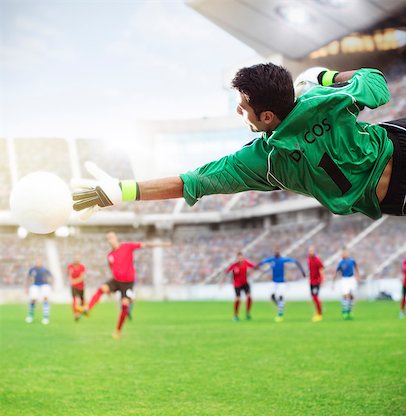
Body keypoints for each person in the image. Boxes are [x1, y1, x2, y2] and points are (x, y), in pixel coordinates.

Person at [72, 63, 405, 220]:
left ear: (268, 117)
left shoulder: (265, 161)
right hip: (398, 142)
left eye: (243, 106)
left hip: (394, 196)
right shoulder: (322, 99)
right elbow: (375, 82)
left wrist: (122, 191)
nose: (237, 110)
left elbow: (193, 181)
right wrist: (325, 78)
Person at [79, 232, 170, 339]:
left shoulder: (127, 246)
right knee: (101, 289)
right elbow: (112, 269)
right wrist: (111, 289)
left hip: (127, 283)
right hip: (116, 280)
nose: (110, 240)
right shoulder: (110, 255)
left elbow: (145, 245)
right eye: (108, 239)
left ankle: (118, 331)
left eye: (111, 237)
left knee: (124, 306)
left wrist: (162, 244)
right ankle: (88, 308)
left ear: (116, 237)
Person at [257, 250, 305, 322]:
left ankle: (280, 314)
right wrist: (256, 268)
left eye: (277, 252)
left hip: (281, 282)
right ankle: (280, 306)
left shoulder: (282, 259)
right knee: (272, 296)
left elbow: (295, 261)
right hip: (274, 282)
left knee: (280, 296)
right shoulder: (272, 259)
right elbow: (261, 263)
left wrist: (302, 271)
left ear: (279, 254)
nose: (276, 253)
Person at [221, 252, 257, 321]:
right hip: (237, 284)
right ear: (237, 259)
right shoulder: (234, 265)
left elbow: (254, 266)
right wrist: (222, 282)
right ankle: (235, 315)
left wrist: (257, 267)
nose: (241, 259)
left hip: (245, 283)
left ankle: (247, 313)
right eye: (239, 258)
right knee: (238, 299)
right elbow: (227, 272)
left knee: (249, 297)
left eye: (242, 258)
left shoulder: (246, 263)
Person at [333, 248, 360, 320]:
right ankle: (344, 311)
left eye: (344, 253)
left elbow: (356, 267)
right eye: (342, 253)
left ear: (347, 253)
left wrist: (358, 276)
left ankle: (349, 311)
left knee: (351, 296)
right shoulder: (341, 262)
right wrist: (333, 282)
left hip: (351, 279)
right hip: (344, 279)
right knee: (346, 295)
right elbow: (336, 272)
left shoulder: (352, 261)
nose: (343, 254)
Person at [25, 258, 53, 325]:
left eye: (39, 262)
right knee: (33, 300)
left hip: (44, 285)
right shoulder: (32, 270)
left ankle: (46, 317)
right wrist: (27, 287)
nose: (38, 263)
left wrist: (51, 284)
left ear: (41, 262)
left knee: (45, 299)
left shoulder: (45, 270)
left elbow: (51, 277)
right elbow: (28, 278)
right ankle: (30, 316)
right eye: (37, 262)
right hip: (35, 285)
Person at [307, 246, 325, 322]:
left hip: (316, 281)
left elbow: (321, 269)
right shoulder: (308, 259)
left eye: (312, 251)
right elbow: (310, 270)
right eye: (309, 251)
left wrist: (322, 280)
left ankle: (319, 314)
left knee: (315, 297)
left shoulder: (317, 260)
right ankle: (318, 311)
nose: (311, 252)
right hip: (311, 281)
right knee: (314, 297)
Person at [67, 255, 86, 321]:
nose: (76, 260)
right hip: (74, 287)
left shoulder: (82, 267)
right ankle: (75, 314)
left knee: (82, 300)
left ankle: (80, 312)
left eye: (77, 259)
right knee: (74, 299)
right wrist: (71, 281)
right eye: (75, 258)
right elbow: (69, 275)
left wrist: (74, 281)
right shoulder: (70, 266)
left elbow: (82, 277)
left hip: (81, 286)